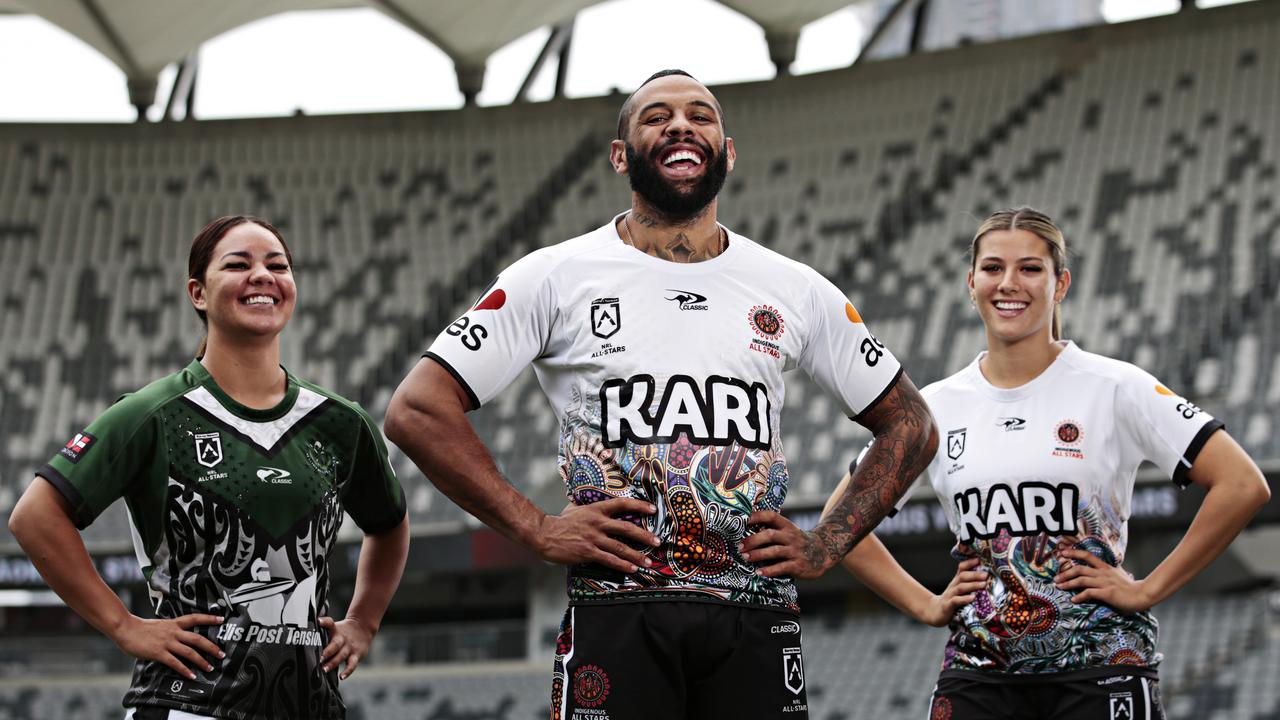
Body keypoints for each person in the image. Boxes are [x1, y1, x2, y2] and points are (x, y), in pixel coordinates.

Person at [384, 69, 938, 720]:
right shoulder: (555, 277)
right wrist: (536, 528)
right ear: (621, 156)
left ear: (727, 152)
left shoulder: (794, 288)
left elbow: (912, 426)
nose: (681, 124)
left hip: (753, 616)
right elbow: (417, 409)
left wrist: (826, 544)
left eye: (701, 115)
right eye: (656, 116)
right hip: (618, 610)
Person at [828, 207, 1270, 720]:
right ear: (971, 283)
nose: (1009, 283)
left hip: (1101, 666)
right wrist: (924, 603)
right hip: (978, 670)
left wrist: (1149, 588)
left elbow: (1242, 483)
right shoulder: (934, 408)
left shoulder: (1114, 386)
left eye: (1030, 268)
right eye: (993, 268)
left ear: (1060, 284)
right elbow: (841, 523)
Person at [8, 216, 410, 720]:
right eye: (238, 264)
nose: (262, 275)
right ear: (198, 293)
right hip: (188, 706)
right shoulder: (153, 413)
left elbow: (389, 524)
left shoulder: (341, 423)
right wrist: (122, 625)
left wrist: (364, 622)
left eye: (277, 265)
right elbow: (35, 515)